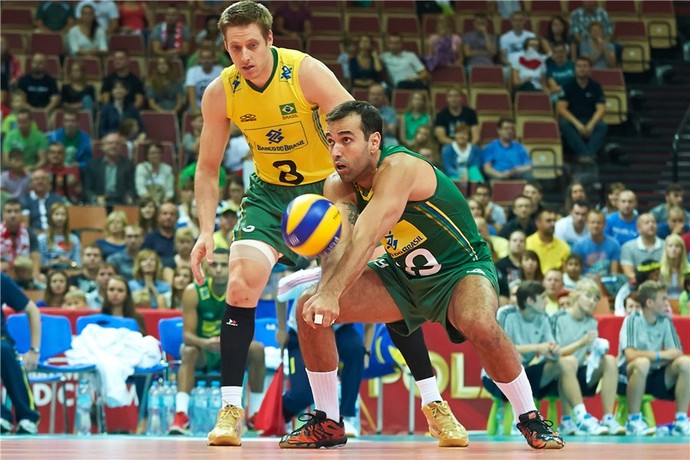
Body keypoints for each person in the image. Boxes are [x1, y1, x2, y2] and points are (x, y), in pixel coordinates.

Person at [192, 1, 460, 448]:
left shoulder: (305, 72)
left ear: (271, 39)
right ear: (225, 47)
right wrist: (205, 229)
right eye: (234, 47)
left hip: (328, 188)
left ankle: (434, 404)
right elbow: (207, 167)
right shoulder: (221, 92)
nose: (244, 56)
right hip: (270, 194)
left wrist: (363, 206)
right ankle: (230, 411)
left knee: (377, 284)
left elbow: (355, 135)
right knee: (241, 284)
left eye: (252, 45)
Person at [281, 100, 564, 449]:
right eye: (331, 141)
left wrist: (332, 290)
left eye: (346, 139)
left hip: (459, 269)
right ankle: (329, 420)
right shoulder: (338, 185)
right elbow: (342, 246)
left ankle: (530, 419)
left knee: (478, 321)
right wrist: (326, 290)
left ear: (374, 142)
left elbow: (368, 236)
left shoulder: (399, 167)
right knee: (309, 311)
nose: (336, 150)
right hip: (402, 275)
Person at [485, 281, 604, 436]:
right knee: (563, 362)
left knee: (567, 361)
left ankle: (580, 416)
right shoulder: (506, 314)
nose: (547, 301)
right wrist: (537, 348)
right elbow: (500, 348)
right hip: (496, 376)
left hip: (524, 373)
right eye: (543, 298)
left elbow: (551, 347)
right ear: (530, 301)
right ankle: (567, 418)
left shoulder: (544, 317)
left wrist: (552, 350)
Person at [168, 248, 266, 435]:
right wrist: (205, 343)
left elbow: (247, 333)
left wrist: (227, 344)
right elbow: (187, 336)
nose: (219, 270)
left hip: (230, 352)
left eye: (224, 265)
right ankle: (181, 415)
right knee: (187, 350)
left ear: (232, 268)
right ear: (207, 266)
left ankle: (255, 415)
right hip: (204, 352)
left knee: (257, 349)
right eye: (215, 265)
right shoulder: (193, 291)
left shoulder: (241, 288)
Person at [550, 278, 625, 435]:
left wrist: (598, 350)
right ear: (576, 295)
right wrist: (581, 343)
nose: (592, 301)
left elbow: (590, 353)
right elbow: (554, 353)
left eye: (596, 298)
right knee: (567, 363)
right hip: (555, 371)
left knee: (610, 361)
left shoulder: (591, 322)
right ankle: (570, 419)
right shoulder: (558, 318)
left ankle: (608, 418)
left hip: (579, 370)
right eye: (588, 296)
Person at [616, 280, 690, 436]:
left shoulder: (665, 321)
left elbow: (677, 353)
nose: (667, 303)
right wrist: (661, 355)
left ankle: (681, 421)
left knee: (685, 363)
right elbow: (630, 355)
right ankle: (633, 421)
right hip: (627, 377)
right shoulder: (632, 320)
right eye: (663, 299)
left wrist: (664, 358)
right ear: (649, 303)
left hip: (654, 376)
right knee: (641, 363)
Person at [0, 273, 41, 435]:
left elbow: (32, 310)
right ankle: (2, 416)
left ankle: (28, 417)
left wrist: (34, 350)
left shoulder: (2, 280)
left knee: (4, 349)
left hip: (1, 341)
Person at [556, 56, 607, 164]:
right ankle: (587, 154)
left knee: (602, 126)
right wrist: (578, 125)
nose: (582, 69)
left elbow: (601, 108)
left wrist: (591, 125)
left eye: (585, 66)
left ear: (589, 69)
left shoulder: (596, 87)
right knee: (564, 124)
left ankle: (586, 154)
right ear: (575, 69)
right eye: (579, 66)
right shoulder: (567, 86)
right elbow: (561, 108)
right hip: (574, 120)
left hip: (590, 120)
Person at [83, 132, 135, 206]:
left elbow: (131, 188)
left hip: (121, 203)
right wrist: (95, 198)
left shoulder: (128, 165)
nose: (114, 146)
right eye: (110, 143)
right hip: (99, 204)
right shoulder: (93, 165)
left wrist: (129, 197)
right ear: (103, 146)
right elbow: (87, 190)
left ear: (121, 147)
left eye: (117, 143)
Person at [37, 202, 81, 271]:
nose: (60, 218)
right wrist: (56, 262)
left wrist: (69, 262)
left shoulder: (74, 239)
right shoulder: (42, 239)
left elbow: (77, 265)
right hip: (49, 272)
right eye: (56, 214)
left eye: (63, 214)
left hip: (69, 271)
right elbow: (41, 265)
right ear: (50, 217)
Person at [620, 213, 663, 279]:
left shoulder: (666, 246)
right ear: (638, 228)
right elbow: (628, 273)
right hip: (637, 285)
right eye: (647, 223)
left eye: (653, 222)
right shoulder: (627, 247)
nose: (651, 225)